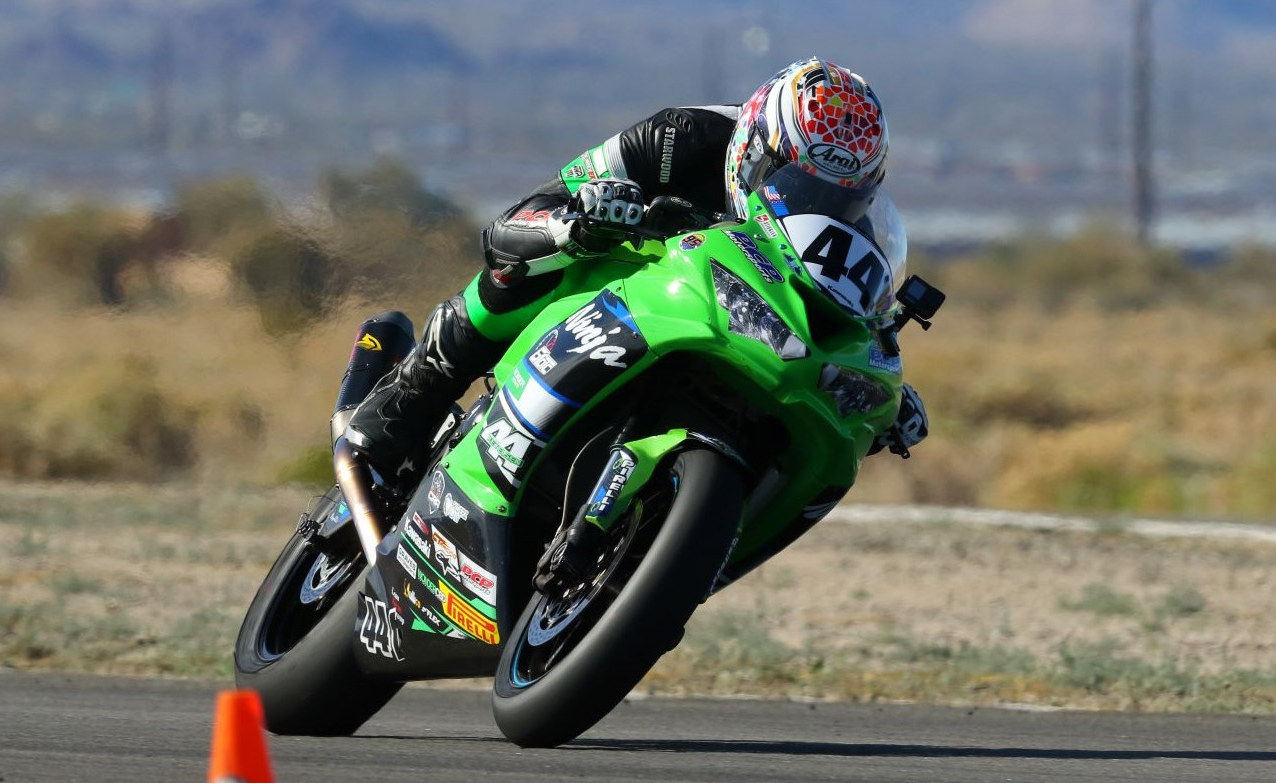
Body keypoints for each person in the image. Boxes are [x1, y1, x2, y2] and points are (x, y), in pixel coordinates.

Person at [338, 57, 928, 492]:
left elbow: (851, 311)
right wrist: (576, 224)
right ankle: (419, 386)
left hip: (740, 331)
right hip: (624, 276)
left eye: (835, 196)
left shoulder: (858, 221)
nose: (811, 200)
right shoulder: (680, 138)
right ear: (754, 146)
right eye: (795, 179)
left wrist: (880, 380)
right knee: (527, 260)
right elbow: (520, 219)